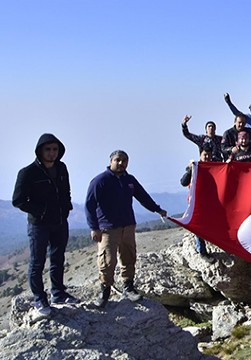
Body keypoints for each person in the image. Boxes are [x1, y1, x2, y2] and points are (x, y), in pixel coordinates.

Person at [85, 150, 168, 308]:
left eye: (124, 160)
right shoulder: (100, 181)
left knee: (129, 257)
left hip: (128, 225)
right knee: (107, 261)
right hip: (108, 229)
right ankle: (105, 291)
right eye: (118, 160)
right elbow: (89, 205)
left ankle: (128, 287)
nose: (121, 163)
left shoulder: (129, 180)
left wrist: (157, 209)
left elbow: (142, 196)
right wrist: (94, 227)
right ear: (111, 161)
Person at [12, 134, 79, 315]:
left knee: (58, 259)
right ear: (40, 150)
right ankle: (40, 299)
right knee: (37, 262)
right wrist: (41, 211)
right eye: (48, 149)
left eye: (55, 149)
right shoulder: (27, 172)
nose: (52, 153)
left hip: (59, 222)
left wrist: (66, 208)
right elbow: (18, 200)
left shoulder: (62, 168)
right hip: (39, 225)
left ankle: (58, 294)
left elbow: (66, 191)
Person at [180, 145, 213, 256]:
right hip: (196, 202)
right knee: (198, 224)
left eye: (209, 155)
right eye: (205, 155)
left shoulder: (214, 167)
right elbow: (183, 182)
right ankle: (202, 251)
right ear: (200, 155)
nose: (207, 157)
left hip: (210, 201)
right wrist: (190, 170)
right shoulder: (194, 167)